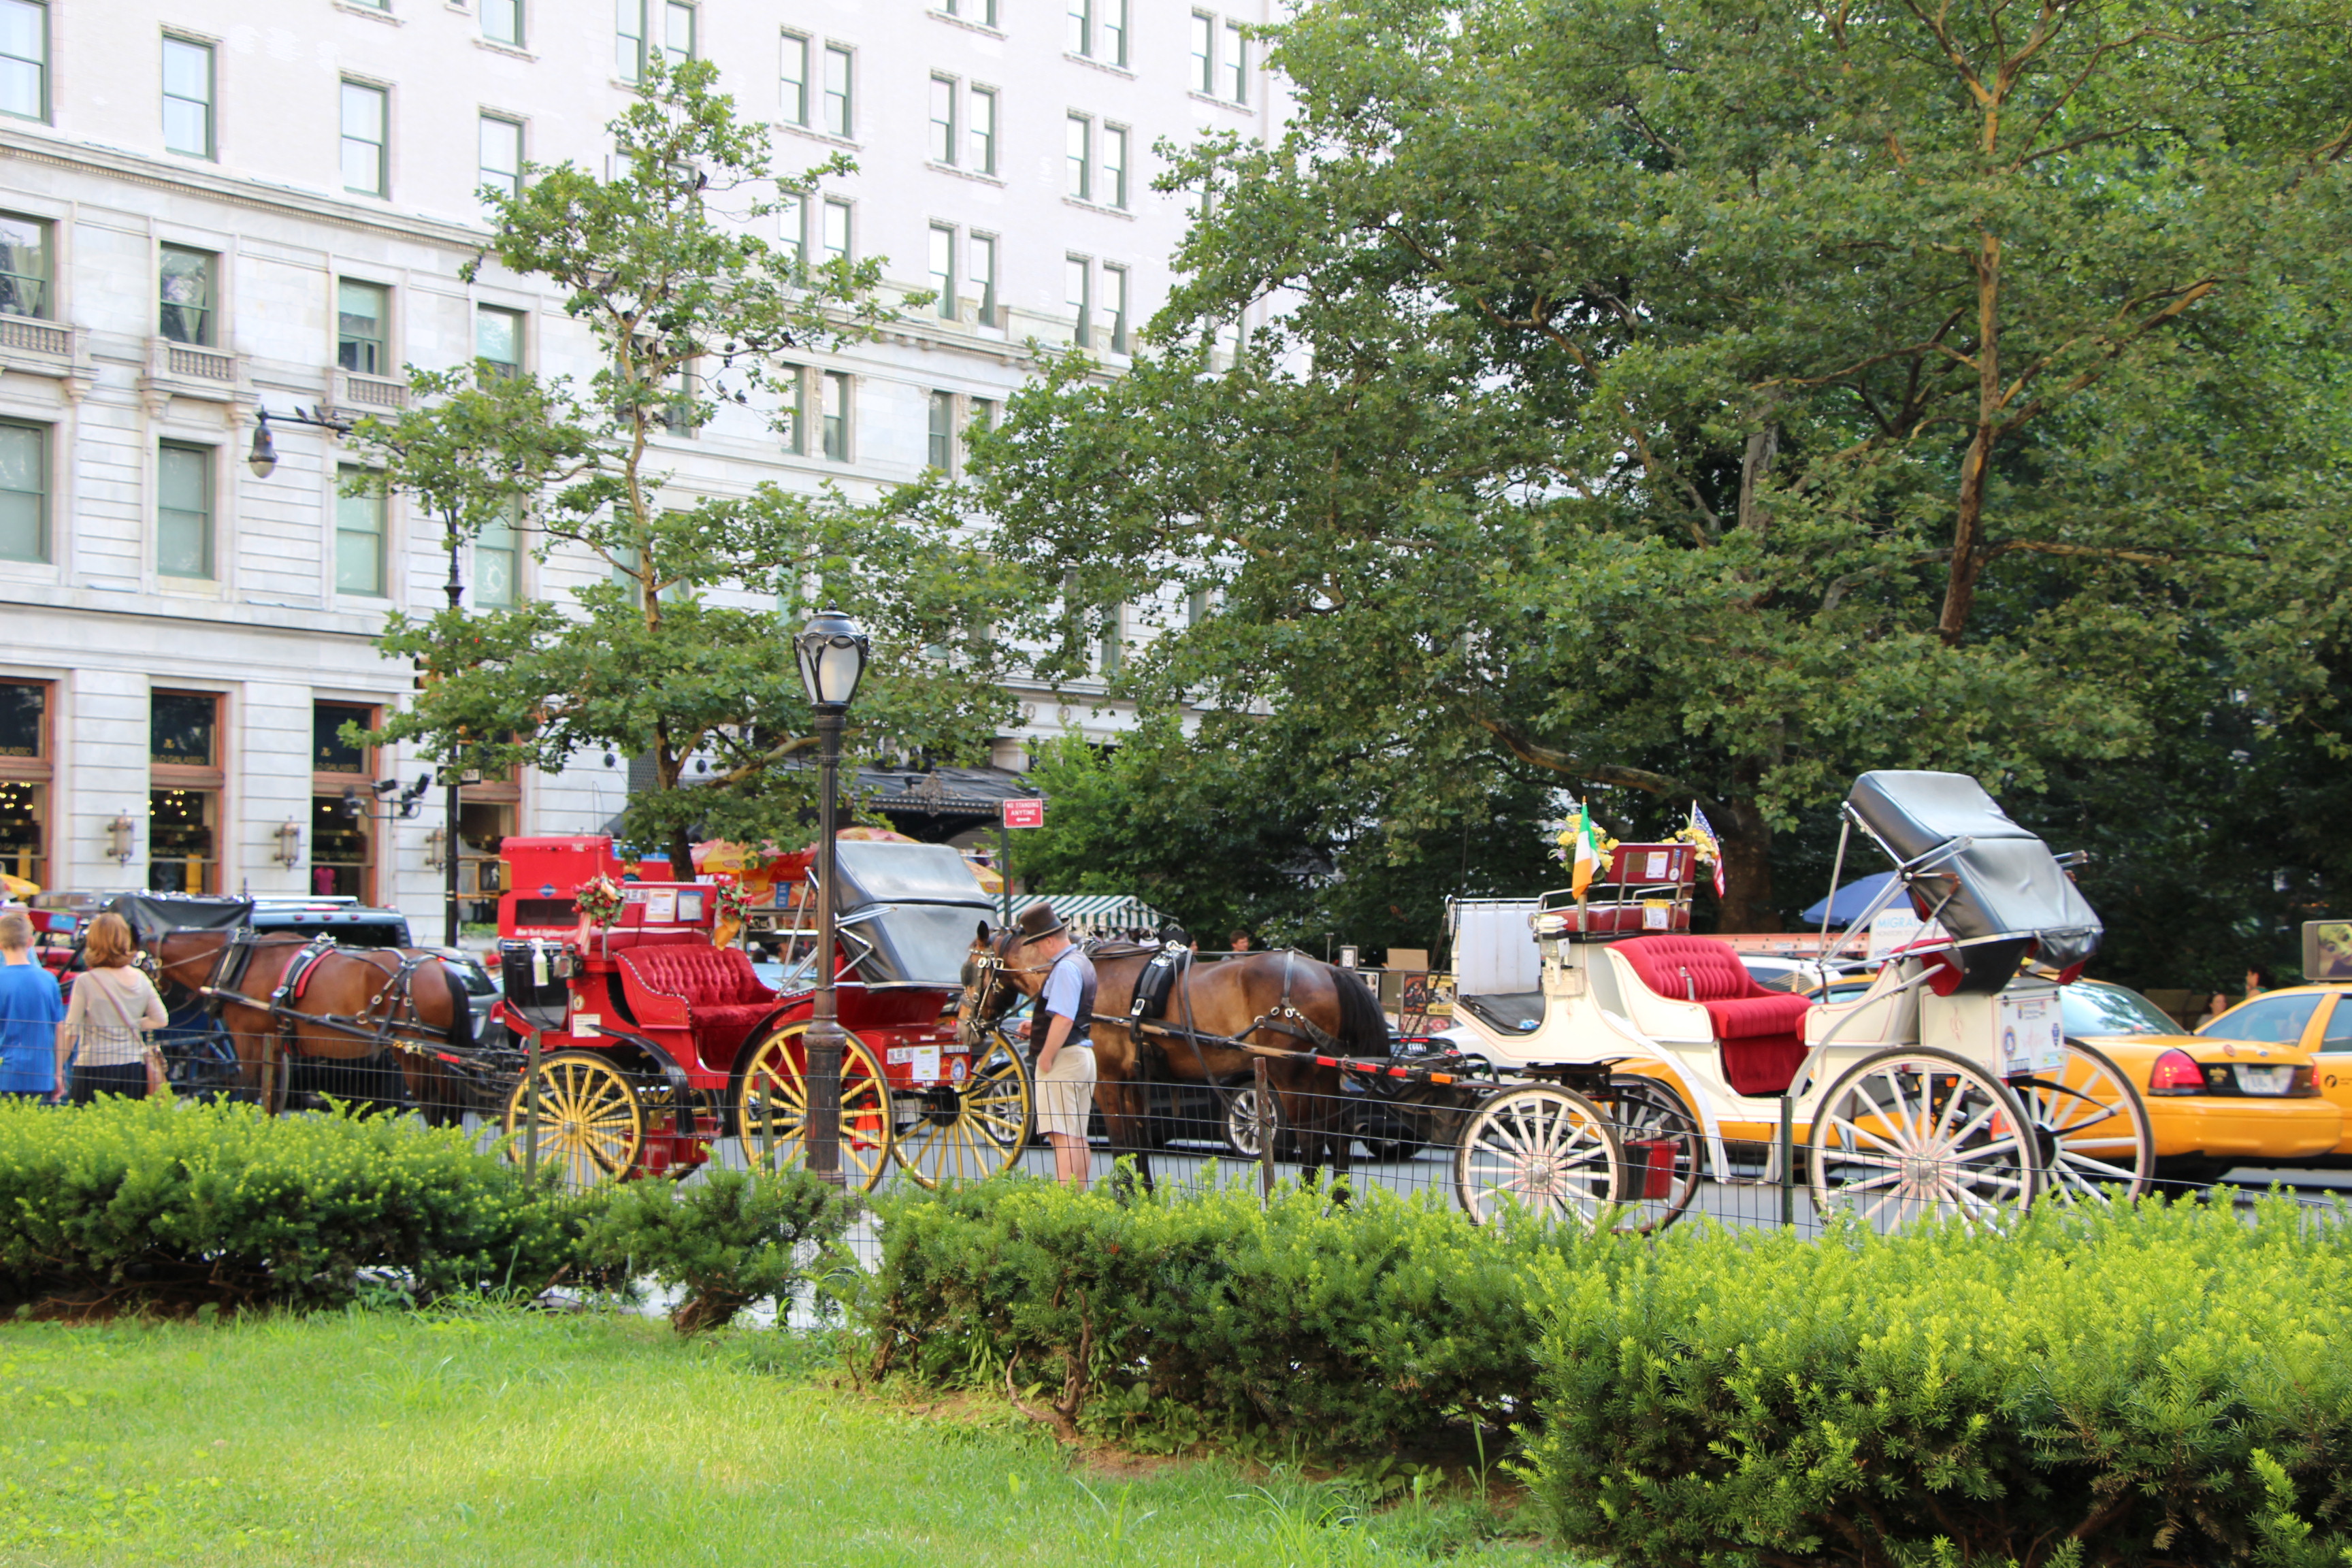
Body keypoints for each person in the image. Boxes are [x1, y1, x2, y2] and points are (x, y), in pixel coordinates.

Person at [1019, 901, 1096, 1188]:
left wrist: (1046, 1057)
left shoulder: (1064, 968)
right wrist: (1036, 1029)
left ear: (1049, 940)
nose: (1038, 951)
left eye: (1038, 944)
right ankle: (1080, 1200)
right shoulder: (1082, 962)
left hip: (1064, 1058)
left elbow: (1063, 1019)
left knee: (1062, 1137)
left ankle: (1065, 1207)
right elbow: (1071, 1016)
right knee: (1077, 1135)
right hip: (1083, 1054)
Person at [60, 911, 168, 1104]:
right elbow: (161, 1020)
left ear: (93, 941)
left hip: (93, 1065)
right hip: (132, 1064)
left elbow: (71, 1031)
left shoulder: (86, 981)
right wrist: (133, 1023)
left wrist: (58, 1068)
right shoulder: (140, 978)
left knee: (88, 1127)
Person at [0, 912, 67, 1103]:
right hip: (42, 1073)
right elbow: (59, 1027)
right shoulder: (48, 980)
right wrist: (59, 1073)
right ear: (30, 942)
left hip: (5, 1074)